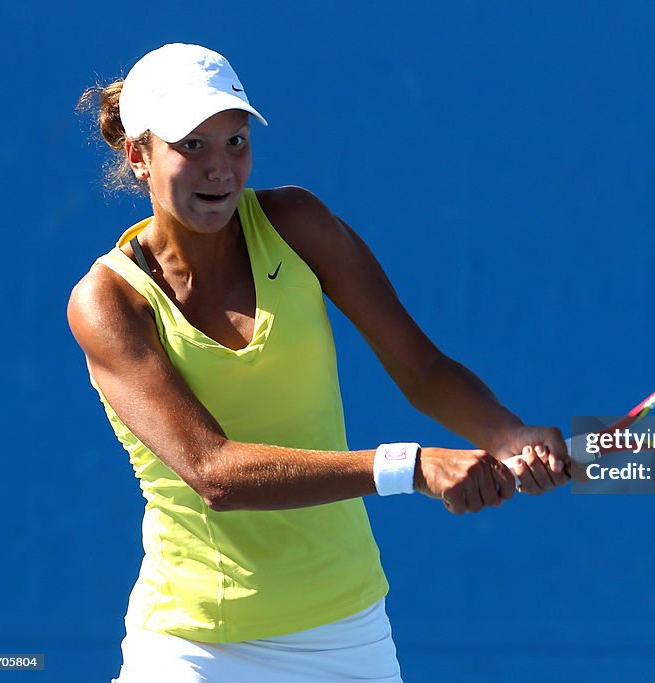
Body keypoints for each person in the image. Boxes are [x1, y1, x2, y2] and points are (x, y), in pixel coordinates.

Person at [69, 43, 571, 682]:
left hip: (346, 629)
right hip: (194, 645)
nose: (220, 168)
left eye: (235, 141)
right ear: (139, 156)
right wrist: (409, 466)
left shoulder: (297, 224)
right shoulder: (107, 301)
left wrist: (508, 434)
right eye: (191, 146)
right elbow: (211, 471)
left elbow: (419, 367)